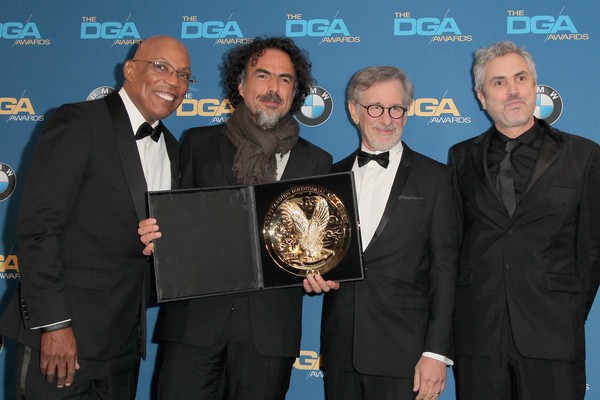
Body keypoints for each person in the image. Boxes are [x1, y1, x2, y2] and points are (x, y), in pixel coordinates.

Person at [139, 37, 333, 400]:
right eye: (262, 76)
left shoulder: (317, 162)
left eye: (285, 80)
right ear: (241, 86)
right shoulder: (197, 144)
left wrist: (322, 271)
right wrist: (153, 236)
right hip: (194, 326)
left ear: (296, 92)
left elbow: (318, 244)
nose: (273, 88)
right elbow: (171, 224)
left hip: (268, 335)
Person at [0, 35, 190, 398]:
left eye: (183, 75)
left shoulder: (172, 148)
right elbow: (39, 230)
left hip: (122, 348)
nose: (174, 81)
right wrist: (55, 326)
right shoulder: (79, 122)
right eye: (162, 67)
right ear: (130, 70)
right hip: (62, 341)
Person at [449, 41, 600, 400]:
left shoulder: (584, 155)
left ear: (535, 85)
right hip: (479, 338)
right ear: (482, 97)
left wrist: (563, 311)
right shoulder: (460, 158)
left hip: (553, 334)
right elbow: (452, 245)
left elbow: (591, 251)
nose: (513, 90)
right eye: (499, 82)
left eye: (520, 78)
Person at [304, 66, 458, 400]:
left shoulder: (437, 179)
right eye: (375, 107)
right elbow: (315, 255)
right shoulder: (329, 176)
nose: (386, 119)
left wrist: (435, 353)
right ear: (354, 111)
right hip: (342, 350)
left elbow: (446, 272)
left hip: (407, 356)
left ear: (407, 110)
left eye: (396, 108)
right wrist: (311, 275)